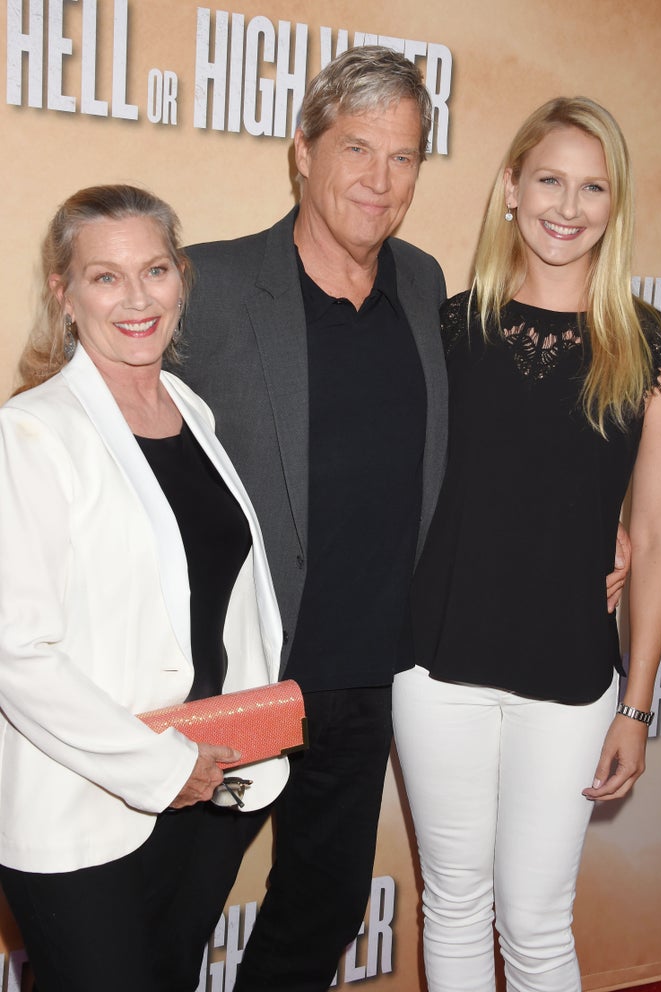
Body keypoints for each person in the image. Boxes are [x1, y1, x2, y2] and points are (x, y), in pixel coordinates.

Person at [392, 97, 661, 992]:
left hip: (569, 677)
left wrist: (637, 708)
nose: (569, 206)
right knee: (451, 902)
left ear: (617, 203)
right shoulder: (442, 330)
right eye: (550, 180)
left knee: (533, 920)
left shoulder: (657, 355)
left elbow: (660, 536)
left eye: (593, 186)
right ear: (511, 190)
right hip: (436, 663)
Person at [180, 46, 448, 992]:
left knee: (320, 914)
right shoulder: (208, 288)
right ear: (302, 149)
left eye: (404, 156)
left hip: (364, 676)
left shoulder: (422, 285)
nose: (380, 181)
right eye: (356, 148)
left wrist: (603, 529)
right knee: (162, 923)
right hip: (238, 681)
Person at [0, 184, 289, 992]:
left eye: (155, 269)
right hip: (87, 808)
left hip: (205, 799)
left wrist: (231, 750)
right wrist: (161, 768)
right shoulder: (31, 434)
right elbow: (15, 654)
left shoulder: (191, 409)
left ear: (180, 279)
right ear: (63, 294)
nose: (136, 298)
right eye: (105, 277)